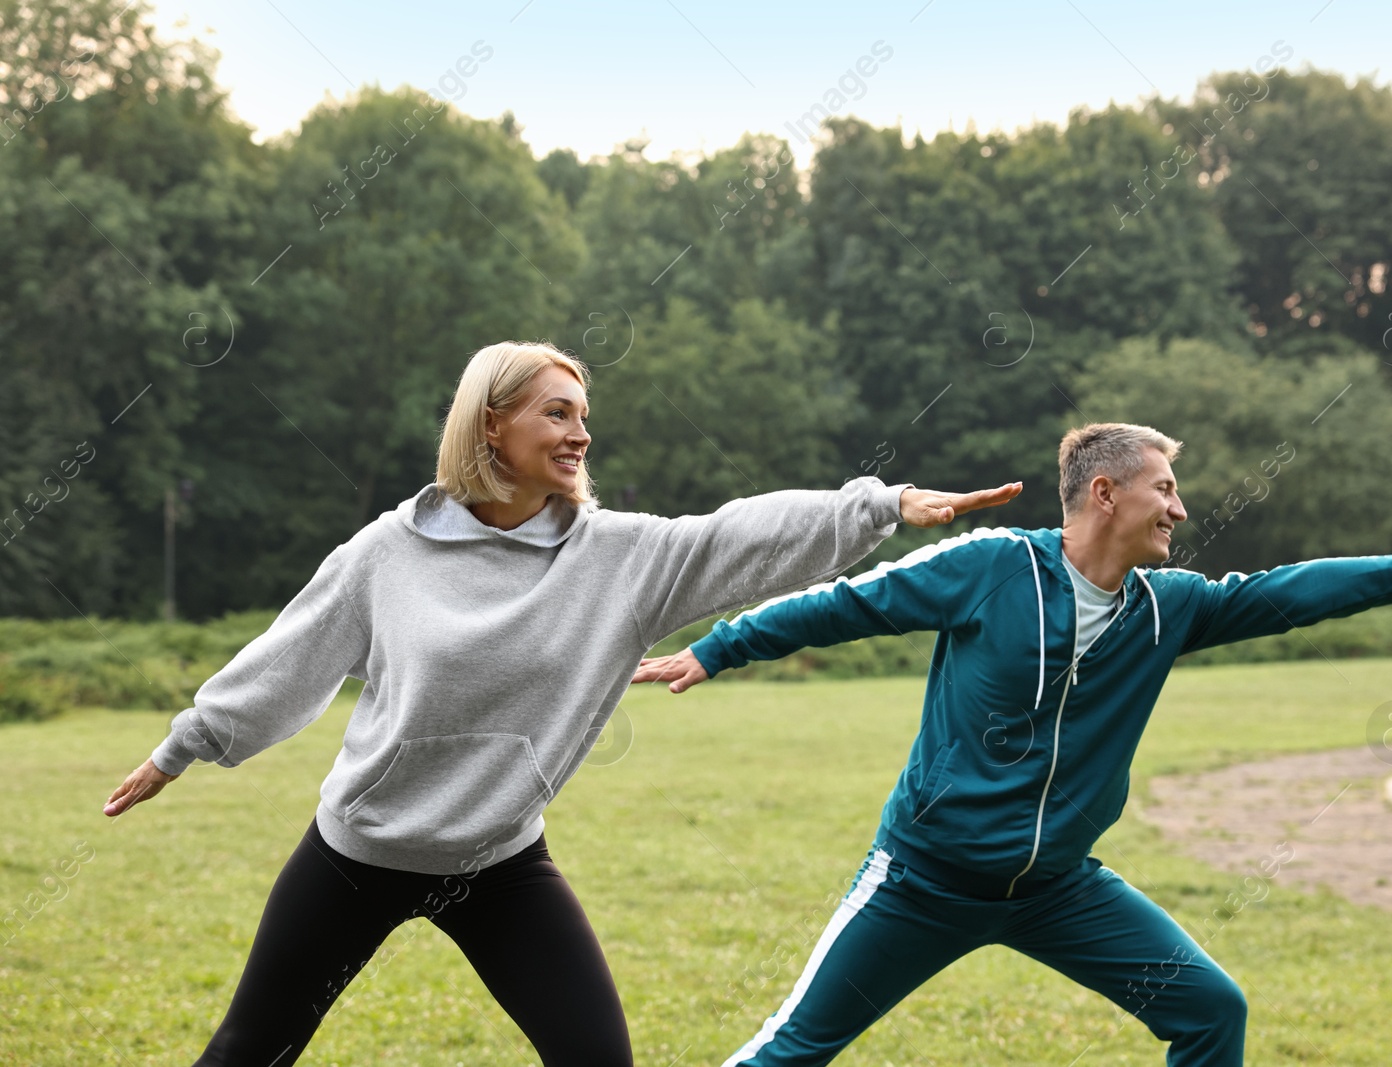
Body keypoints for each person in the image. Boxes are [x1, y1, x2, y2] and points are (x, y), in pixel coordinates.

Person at [102, 340, 1022, 1067]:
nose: (580, 432)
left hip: (498, 860)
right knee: (247, 1051)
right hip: (360, 852)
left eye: (585, 415)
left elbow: (735, 534)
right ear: (491, 424)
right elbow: (290, 655)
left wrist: (881, 504)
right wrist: (186, 744)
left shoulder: (617, 558)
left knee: (594, 1056)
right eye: (557, 412)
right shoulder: (390, 552)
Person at [633, 421, 1392, 1067]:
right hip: (923, 882)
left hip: (1059, 890)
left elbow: (1295, 590)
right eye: (1166, 488)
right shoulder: (988, 567)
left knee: (1209, 1009)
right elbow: (846, 604)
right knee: (792, 1049)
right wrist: (718, 648)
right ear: (1105, 493)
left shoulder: (1171, 607)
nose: (1179, 511)